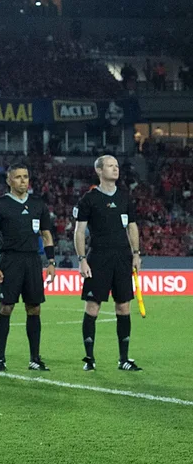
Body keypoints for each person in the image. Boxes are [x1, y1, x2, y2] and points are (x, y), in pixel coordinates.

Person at [74, 155, 143, 372]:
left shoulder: (125, 198)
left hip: (122, 258)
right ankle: (89, 358)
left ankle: (124, 359)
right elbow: (79, 231)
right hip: (98, 258)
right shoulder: (89, 199)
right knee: (93, 307)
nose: (115, 169)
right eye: (110, 166)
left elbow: (132, 227)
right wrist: (82, 259)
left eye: (117, 166)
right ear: (99, 170)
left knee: (123, 307)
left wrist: (136, 253)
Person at [0, 163, 57, 371]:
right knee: (6, 308)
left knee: (34, 308)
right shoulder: (0, 205)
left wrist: (51, 263)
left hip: (33, 261)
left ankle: (35, 358)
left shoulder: (38, 204)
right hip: (10, 261)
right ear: (9, 180)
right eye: (18, 177)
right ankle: (1, 359)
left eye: (25, 176)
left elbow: (46, 235)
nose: (23, 180)